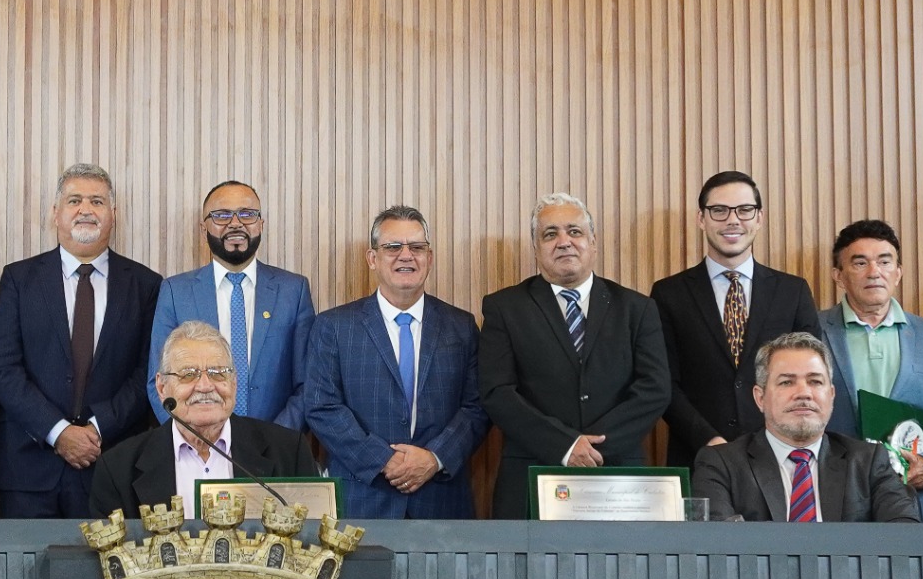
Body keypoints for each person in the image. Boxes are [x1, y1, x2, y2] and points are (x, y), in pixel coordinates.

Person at [476, 193, 672, 519]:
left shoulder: (637, 309)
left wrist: (593, 448)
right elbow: (497, 393)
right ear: (536, 249)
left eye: (575, 232)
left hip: (619, 477)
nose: (564, 242)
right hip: (531, 476)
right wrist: (566, 445)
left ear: (593, 243)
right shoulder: (504, 308)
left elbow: (655, 390)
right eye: (550, 234)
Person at [0, 165, 161, 518]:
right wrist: (59, 431)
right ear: (56, 213)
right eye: (74, 200)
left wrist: (96, 429)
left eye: (97, 201)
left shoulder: (145, 284)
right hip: (27, 468)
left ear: (113, 215)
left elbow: (149, 371)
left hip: (110, 463)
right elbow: (3, 369)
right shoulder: (19, 279)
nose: (85, 209)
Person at [299, 205, 488, 518]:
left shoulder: (461, 326)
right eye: (393, 247)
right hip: (363, 497)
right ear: (372, 258)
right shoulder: (334, 326)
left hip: (441, 500)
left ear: (429, 257)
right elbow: (322, 407)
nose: (406, 255)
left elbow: (477, 407)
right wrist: (383, 459)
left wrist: (435, 458)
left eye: (417, 247)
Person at [648, 171, 821, 465]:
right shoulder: (669, 294)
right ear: (701, 219)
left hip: (778, 455)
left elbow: (809, 376)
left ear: (759, 218)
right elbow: (664, 382)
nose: (732, 220)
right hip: (698, 456)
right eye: (719, 211)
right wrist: (708, 439)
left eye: (744, 210)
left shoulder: (793, 291)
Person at [92, 321, 320, 515]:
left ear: (233, 383)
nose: (204, 386)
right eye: (188, 374)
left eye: (218, 373)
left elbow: (309, 545)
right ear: (162, 388)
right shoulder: (118, 469)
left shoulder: (290, 452)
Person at [819, 219, 923, 521]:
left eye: (885, 261)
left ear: (897, 273)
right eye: (860, 263)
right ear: (838, 276)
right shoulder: (813, 330)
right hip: (834, 492)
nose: (875, 272)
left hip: (910, 494)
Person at [691, 332, 917, 522]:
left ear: (831, 395)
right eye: (786, 382)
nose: (803, 393)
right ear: (760, 398)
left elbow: (904, 537)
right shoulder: (721, 465)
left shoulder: (868, 463)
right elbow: (718, 551)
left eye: (815, 381)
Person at [145, 180, 316, 430]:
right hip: (197, 449)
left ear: (261, 224)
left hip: (276, 453)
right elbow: (158, 382)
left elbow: (307, 383)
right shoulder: (175, 292)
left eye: (247, 214)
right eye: (222, 215)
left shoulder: (294, 290)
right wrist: (197, 441)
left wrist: (274, 443)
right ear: (204, 229)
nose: (235, 223)